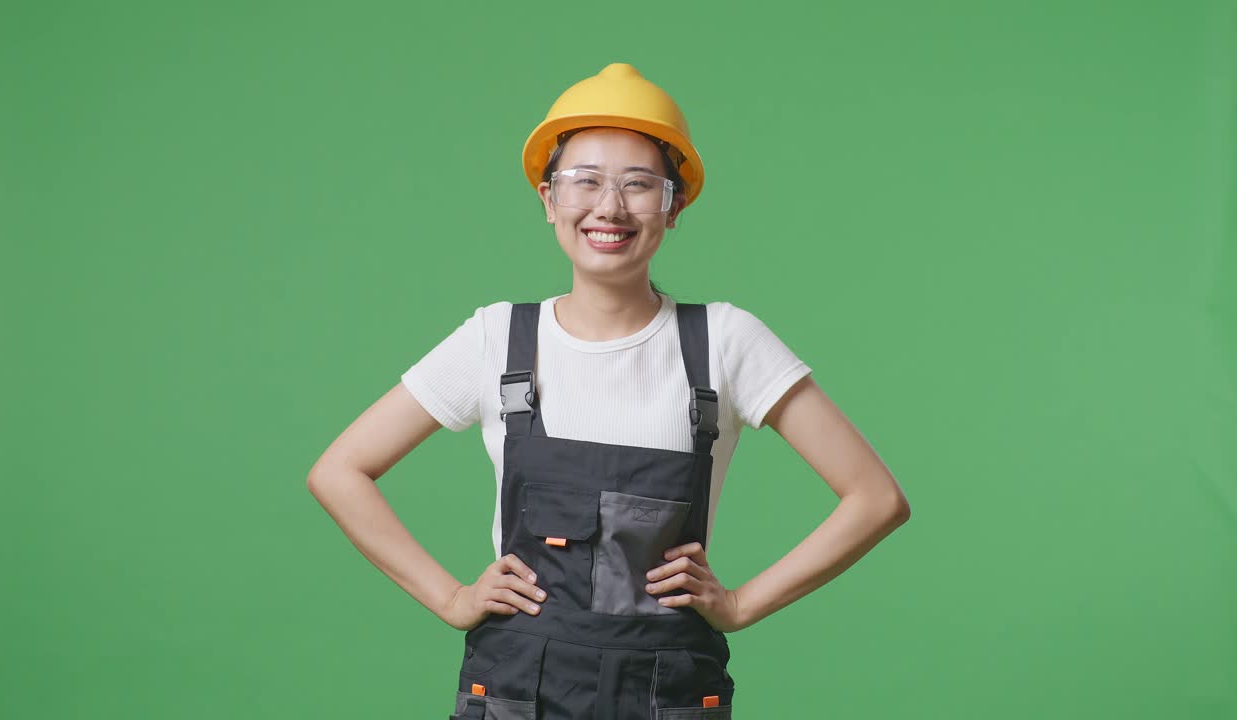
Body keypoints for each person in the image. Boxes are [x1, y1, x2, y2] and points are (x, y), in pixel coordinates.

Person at [307, 63, 911, 720]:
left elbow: (876, 499)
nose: (610, 207)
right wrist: (452, 598)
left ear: (674, 207)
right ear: (548, 199)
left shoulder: (725, 341)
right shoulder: (496, 339)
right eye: (585, 180)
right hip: (516, 688)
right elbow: (339, 471)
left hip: (668, 689)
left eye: (639, 184)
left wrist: (740, 605)